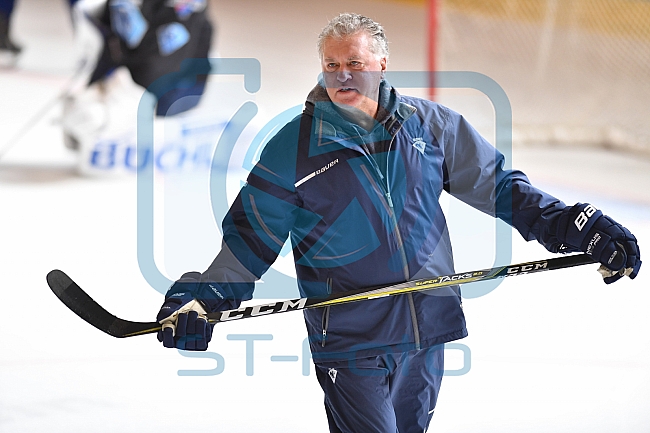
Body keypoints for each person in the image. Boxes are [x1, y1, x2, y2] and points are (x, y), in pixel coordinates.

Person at [155, 13, 642, 432]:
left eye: (355, 65)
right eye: (331, 65)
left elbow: (504, 189)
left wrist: (583, 226)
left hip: (426, 330)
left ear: (382, 65)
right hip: (350, 341)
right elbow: (248, 241)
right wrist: (203, 297)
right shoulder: (293, 148)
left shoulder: (430, 127)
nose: (342, 76)